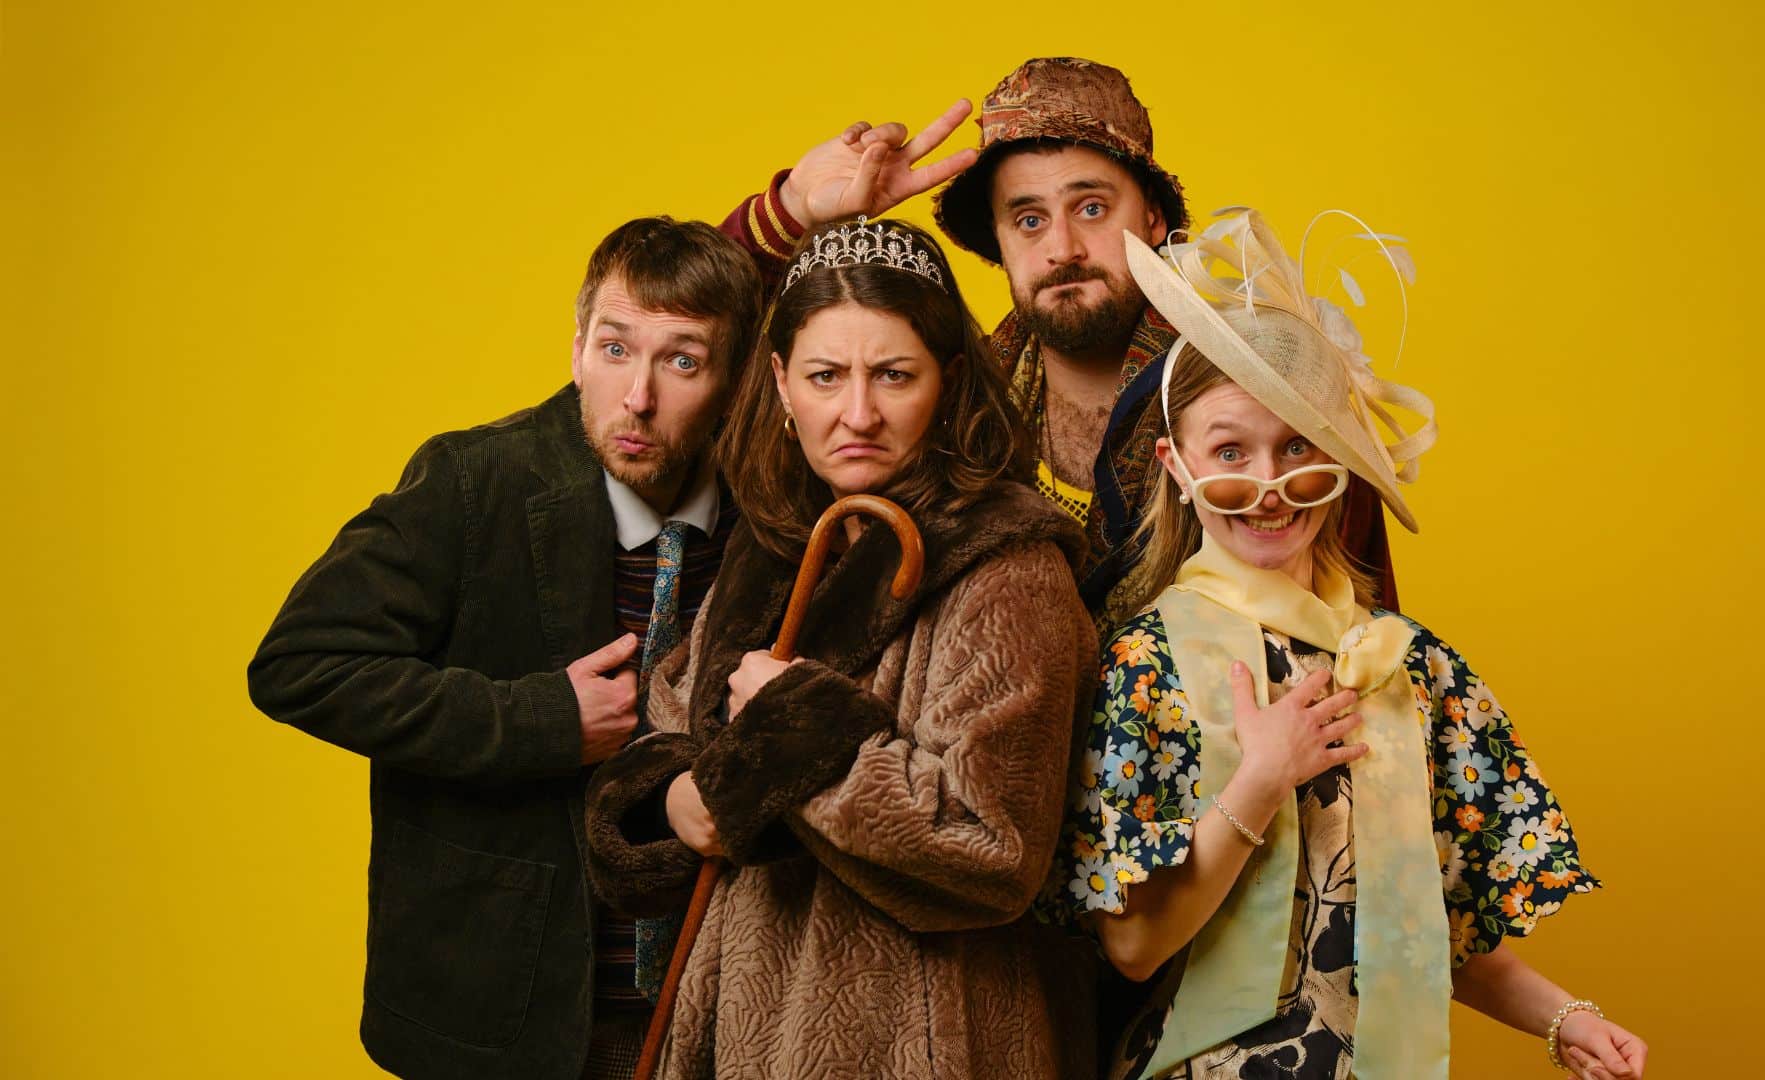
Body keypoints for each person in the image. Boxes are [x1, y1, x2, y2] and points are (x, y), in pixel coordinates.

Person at [1046, 210, 1650, 1079]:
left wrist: (1566, 1020)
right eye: (1231, 449)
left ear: (1339, 459)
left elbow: (1425, 932)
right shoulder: (1147, 666)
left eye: (1298, 446)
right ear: (1179, 468)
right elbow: (1134, 944)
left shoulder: (1413, 668)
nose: (1269, 485)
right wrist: (1260, 779)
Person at [246, 217, 763, 1080]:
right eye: (613, 349)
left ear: (734, 378)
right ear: (575, 350)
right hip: (503, 1005)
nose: (636, 397)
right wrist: (539, 721)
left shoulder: (772, 511)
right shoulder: (475, 481)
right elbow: (300, 664)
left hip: (711, 1010)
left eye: (681, 361)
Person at [583, 216, 1099, 1078]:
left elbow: (992, 847)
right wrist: (670, 800)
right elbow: (666, 730)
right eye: (826, 376)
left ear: (950, 381)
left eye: (894, 375)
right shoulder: (772, 544)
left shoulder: (1010, 565)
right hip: (736, 1021)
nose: (857, 413)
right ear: (782, 383)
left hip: (910, 1038)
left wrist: (794, 731)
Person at [713, 58, 1398, 636]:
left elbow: (1366, 628)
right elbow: (689, 358)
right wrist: (796, 211)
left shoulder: (1260, 392)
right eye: (1030, 218)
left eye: (1092, 208)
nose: (1063, 249)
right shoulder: (946, 398)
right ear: (999, 238)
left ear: (1153, 215)